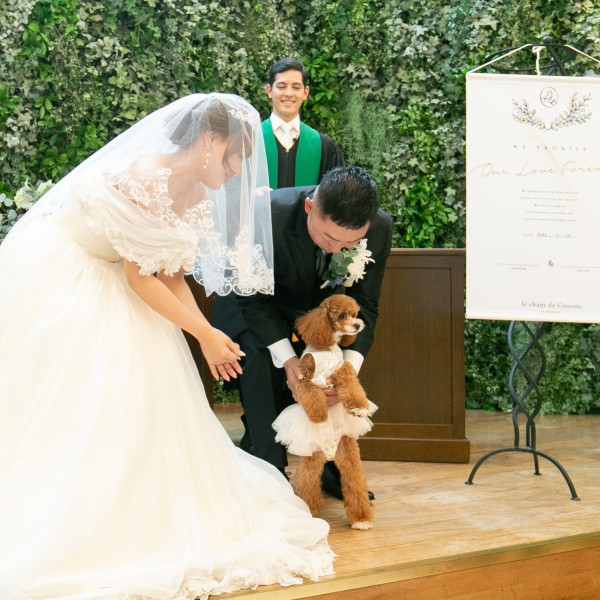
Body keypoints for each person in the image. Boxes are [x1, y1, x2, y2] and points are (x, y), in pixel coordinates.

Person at [0, 93, 335, 600]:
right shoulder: (143, 176)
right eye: (235, 156)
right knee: (84, 395)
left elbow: (172, 274)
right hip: (72, 272)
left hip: (124, 278)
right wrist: (203, 333)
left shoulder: (198, 196)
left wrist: (207, 336)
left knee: (144, 403)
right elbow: (140, 277)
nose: (239, 168)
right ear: (209, 140)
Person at [212, 166, 393, 499]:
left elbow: (365, 304)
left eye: (350, 243)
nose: (337, 250)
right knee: (260, 357)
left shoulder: (380, 227)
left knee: (331, 371)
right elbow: (252, 300)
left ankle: (330, 469)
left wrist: (345, 370)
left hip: (318, 312)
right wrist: (289, 363)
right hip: (255, 303)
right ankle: (269, 473)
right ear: (310, 207)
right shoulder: (265, 215)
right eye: (328, 238)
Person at [262, 57, 345, 189]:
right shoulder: (250, 141)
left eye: (296, 87)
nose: (289, 93)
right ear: (269, 91)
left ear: (305, 92)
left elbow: (336, 197)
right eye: (282, 86)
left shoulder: (323, 147)